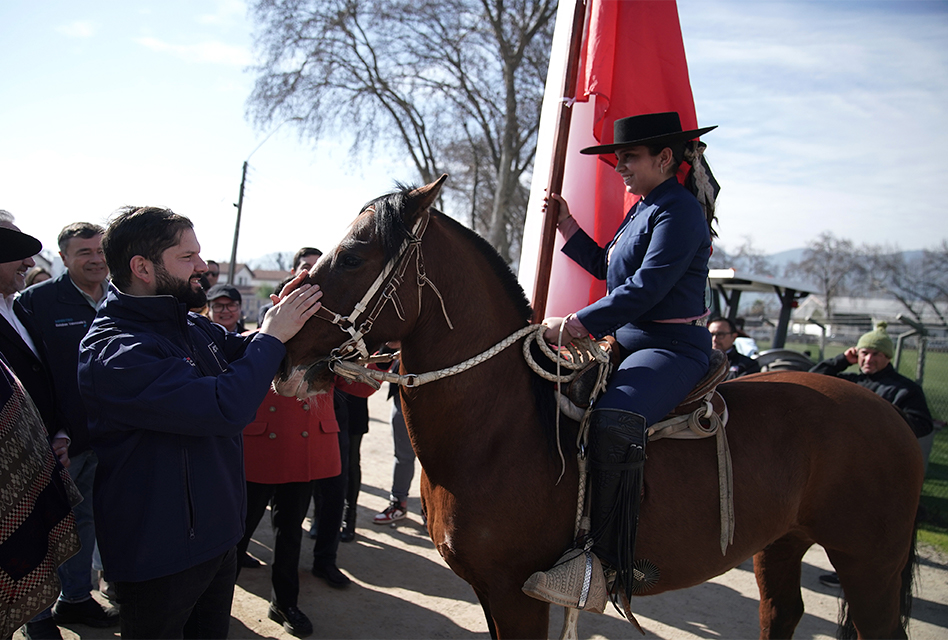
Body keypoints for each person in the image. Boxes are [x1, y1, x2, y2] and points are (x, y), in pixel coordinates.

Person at [77, 205, 322, 639]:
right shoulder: (116, 351)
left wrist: (300, 318)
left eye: (201, 255)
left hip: (217, 538)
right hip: (159, 555)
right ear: (142, 267)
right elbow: (224, 407)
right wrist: (270, 337)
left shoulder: (189, 325)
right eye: (188, 257)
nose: (204, 267)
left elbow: (247, 350)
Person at [524, 112, 720, 608]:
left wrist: (574, 324)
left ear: (664, 158)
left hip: (670, 348)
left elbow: (646, 289)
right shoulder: (646, 206)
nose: (620, 166)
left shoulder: (678, 211)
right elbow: (611, 268)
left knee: (613, 420)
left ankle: (605, 562)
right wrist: (567, 224)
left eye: (628, 157)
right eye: (619, 158)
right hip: (629, 341)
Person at [18, 222, 119, 632]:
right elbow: (30, 376)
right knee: (47, 528)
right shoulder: (36, 303)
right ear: (63, 258)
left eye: (100, 251)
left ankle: (75, 598)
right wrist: (54, 429)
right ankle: (36, 614)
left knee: (91, 522)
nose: (96, 260)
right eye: (84, 253)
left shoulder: (121, 298)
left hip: (113, 441)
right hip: (60, 443)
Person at [236, 375, 375, 638]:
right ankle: (215, 603)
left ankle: (284, 604)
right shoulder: (257, 342)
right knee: (238, 532)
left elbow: (361, 386)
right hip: (262, 445)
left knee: (290, 532)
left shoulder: (330, 348)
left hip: (302, 446)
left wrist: (380, 351)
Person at [0, 223, 81, 640]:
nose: (30, 263)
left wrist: (58, 434)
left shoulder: (21, 310)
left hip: (43, 454)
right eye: (17, 252)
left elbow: (45, 378)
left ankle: (40, 619)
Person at [809, 321, 934, 588]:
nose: (868, 358)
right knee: (842, 523)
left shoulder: (905, 389)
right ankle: (843, 572)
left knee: (873, 529)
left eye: (876, 353)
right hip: (845, 467)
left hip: (882, 471)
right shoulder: (851, 380)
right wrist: (842, 360)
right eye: (864, 353)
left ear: (888, 357)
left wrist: (881, 426)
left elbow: (922, 423)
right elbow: (813, 376)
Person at [258, 248, 322, 325]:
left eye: (318, 267)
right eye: (306, 267)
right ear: (293, 272)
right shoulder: (270, 311)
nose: (312, 272)